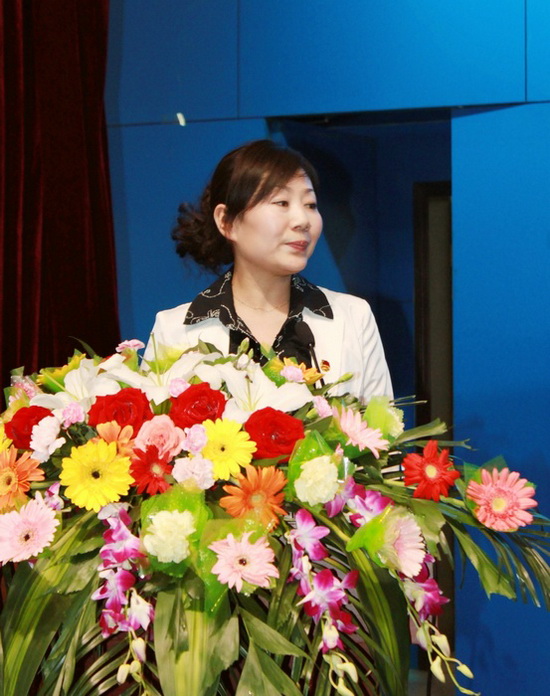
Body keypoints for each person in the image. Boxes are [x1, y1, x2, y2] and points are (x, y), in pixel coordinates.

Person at [144, 139, 392, 401]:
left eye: (310, 204)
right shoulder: (174, 330)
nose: (302, 220)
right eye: (282, 202)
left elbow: (383, 425)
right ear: (227, 221)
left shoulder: (353, 318)